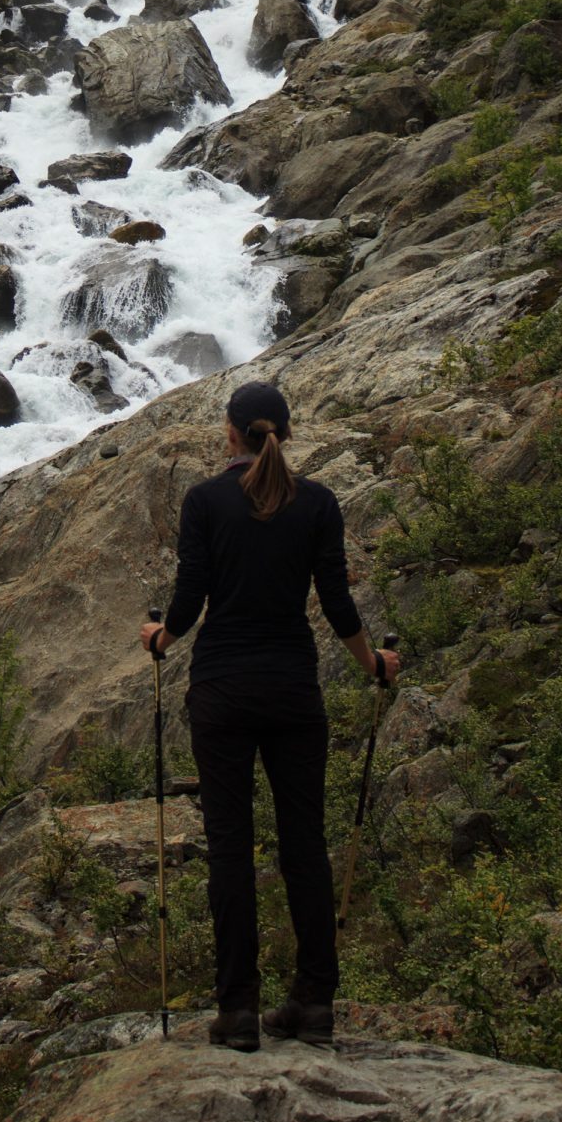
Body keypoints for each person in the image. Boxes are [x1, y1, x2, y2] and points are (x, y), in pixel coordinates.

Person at [139, 381, 398, 1053]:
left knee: (229, 847)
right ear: (285, 432)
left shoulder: (204, 501)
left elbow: (188, 601)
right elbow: (337, 606)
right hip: (291, 691)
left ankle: (238, 1010)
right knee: (303, 845)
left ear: (229, 432)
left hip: (221, 690)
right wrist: (373, 666)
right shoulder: (315, 503)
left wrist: (158, 640)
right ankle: (312, 1004)